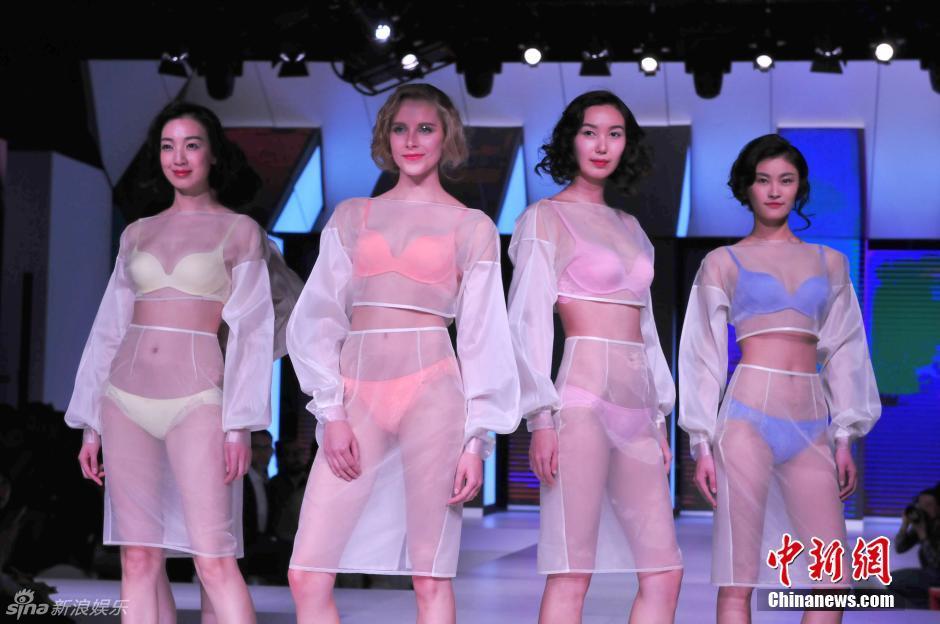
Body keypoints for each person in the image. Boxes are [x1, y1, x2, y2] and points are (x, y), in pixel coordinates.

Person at [286, 83, 520, 624]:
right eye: (400, 128)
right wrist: (331, 412)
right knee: (306, 572)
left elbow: (483, 336)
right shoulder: (352, 216)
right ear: (385, 137)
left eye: (425, 128)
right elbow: (318, 316)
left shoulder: (472, 226)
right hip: (355, 394)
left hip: (433, 391)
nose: (411, 140)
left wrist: (477, 441)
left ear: (447, 137)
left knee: (430, 573)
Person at [66, 101, 275, 624]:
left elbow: (252, 333)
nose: (178, 157)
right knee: (138, 558)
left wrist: (241, 424)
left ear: (213, 154)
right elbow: (109, 327)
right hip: (123, 400)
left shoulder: (240, 231)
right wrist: (89, 420)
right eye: (167, 146)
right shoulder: (137, 232)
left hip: (198, 399)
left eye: (191, 145)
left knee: (213, 558)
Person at [678, 134, 881, 624]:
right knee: (738, 575)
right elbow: (701, 354)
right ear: (746, 188)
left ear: (799, 188)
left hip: (812, 423)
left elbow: (847, 349)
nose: (774, 191)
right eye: (763, 180)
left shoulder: (830, 262)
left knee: (832, 580)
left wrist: (845, 436)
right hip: (746, 418)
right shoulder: (722, 261)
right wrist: (700, 442)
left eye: (785, 181)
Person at [508, 90, 682, 624]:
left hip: (639, 411)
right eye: (590, 132)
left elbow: (647, 329)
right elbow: (527, 323)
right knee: (571, 569)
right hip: (580, 405)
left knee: (665, 572)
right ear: (571, 140)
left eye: (614, 134)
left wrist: (658, 419)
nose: (602, 145)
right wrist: (540, 420)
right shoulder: (545, 218)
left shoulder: (631, 228)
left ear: (627, 144)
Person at [890, 484, 940, 608]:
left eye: (928, 505)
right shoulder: (926, 523)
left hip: (936, 575)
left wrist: (923, 535)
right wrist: (905, 525)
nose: (923, 509)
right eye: (920, 505)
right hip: (931, 575)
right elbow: (900, 548)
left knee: (894, 580)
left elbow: (936, 563)